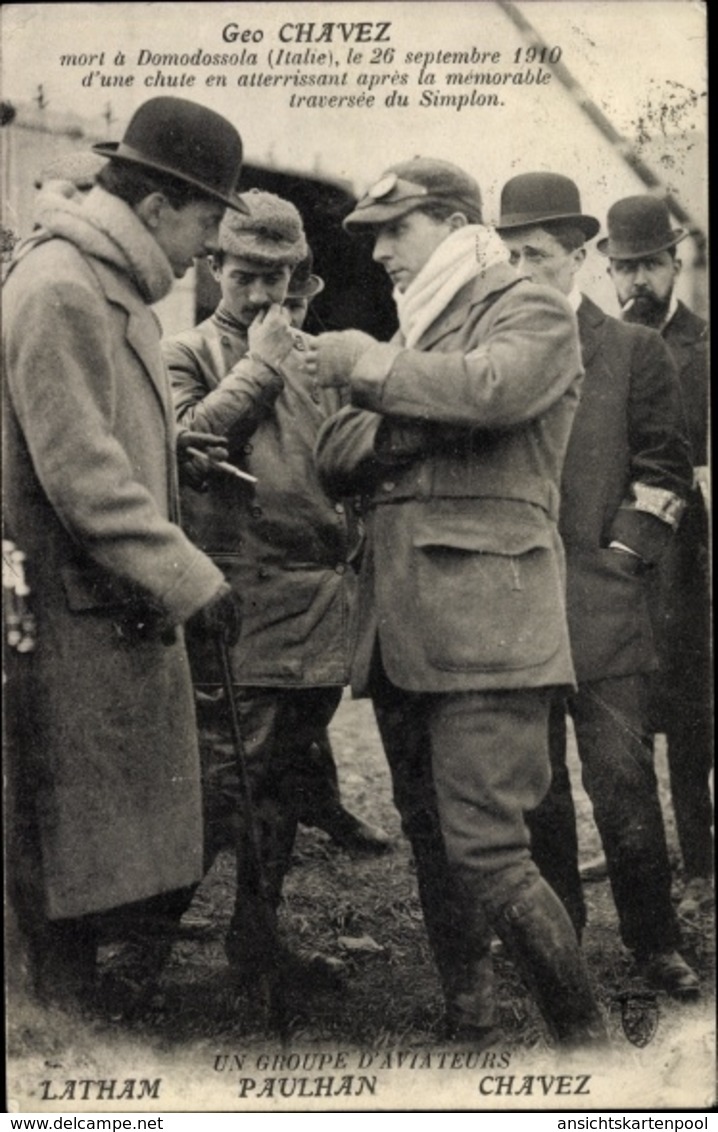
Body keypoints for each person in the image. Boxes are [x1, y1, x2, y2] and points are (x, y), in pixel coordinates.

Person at [311, 157, 607, 1048]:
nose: (381, 253)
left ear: (449, 221)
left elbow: (496, 390)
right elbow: (334, 450)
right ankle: (468, 1010)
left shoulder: (528, 306)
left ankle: (588, 1046)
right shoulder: (421, 330)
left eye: (395, 231)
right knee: (429, 833)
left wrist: (376, 372)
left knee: (488, 847)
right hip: (405, 627)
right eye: (371, 237)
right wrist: (411, 399)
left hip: (489, 625)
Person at [3, 96, 246, 1011]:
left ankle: (70, 1006)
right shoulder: (65, 287)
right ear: (155, 208)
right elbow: (79, 473)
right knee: (63, 851)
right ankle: (60, 1033)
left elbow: (88, 427)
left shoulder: (112, 286)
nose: (210, 245)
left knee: (87, 847)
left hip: (98, 610)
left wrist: (167, 442)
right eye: (208, 219)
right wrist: (192, 579)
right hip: (71, 620)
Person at [496, 172, 698, 999]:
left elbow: (665, 472)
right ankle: (563, 941)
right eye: (506, 254)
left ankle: (656, 943)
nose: (518, 269)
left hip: (605, 609)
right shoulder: (496, 356)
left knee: (620, 783)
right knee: (535, 790)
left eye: (535, 255)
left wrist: (621, 557)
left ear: (580, 257)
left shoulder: (631, 350)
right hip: (517, 611)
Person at [163, 193, 370, 987]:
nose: (261, 298)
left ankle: (256, 939)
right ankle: (133, 961)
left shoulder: (319, 360)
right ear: (216, 268)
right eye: (246, 276)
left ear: (300, 279)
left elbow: (346, 467)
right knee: (213, 794)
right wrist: (263, 361)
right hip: (234, 611)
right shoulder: (182, 352)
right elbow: (193, 449)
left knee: (280, 793)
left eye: (279, 281)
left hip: (317, 612)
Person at [600, 195, 712, 919]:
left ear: (675, 264)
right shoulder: (602, 346)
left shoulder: (705, 346)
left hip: (691, 554)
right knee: (625, 700)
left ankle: (701, 858)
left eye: (649, 264)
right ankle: (637, 850)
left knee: (692, 703)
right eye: (624, 268)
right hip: (622, 547)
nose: (637, 280)